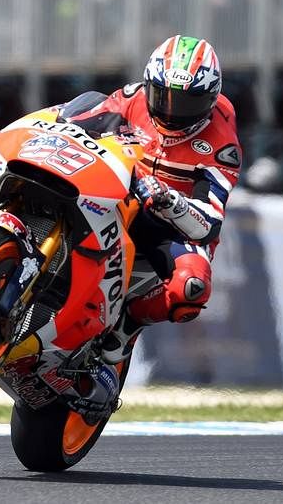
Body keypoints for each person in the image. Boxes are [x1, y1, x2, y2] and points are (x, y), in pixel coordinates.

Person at [56, 35, 242, 364]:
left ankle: (130, 321)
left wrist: (172, 202)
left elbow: (208, 226)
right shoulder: (132, 98)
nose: (170, 112)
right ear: (149, 84)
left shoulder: (222, 145)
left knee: (192, 287)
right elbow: (70, 122)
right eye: (163, 96)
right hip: (113, 194)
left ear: (210, 100)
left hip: (169, 225)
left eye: (186, 103)